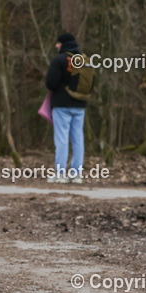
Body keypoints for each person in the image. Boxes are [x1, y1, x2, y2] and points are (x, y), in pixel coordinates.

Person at [44, 32, 87, 183]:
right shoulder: (84, 60)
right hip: (80, 105)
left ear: (63, 44)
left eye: (58, 43)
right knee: (78, 139)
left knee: (62, 139)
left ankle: (61, 173)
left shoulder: (60, 60)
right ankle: (76, 174)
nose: (56, 45)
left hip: (61, 105)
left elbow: (51, 83)